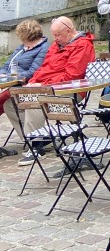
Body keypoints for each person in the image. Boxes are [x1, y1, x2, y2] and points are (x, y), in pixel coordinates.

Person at [7, 18, 95, 161]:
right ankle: (38, 138)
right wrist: (33, 82)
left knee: (34, 101)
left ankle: (36, 147)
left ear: (68, 31)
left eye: (57, 35)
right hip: (48, 87)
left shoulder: (83, 45)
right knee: (10, 103)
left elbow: (71, 76)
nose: (55, 39)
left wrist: (42, 85)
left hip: (70, 90)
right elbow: (44, 68)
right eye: (53, 35)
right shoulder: (57, 45)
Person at [0, 20, 49, 154]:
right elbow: (6, 65)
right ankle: (32, 137)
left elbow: (33, 72)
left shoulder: (43, 48)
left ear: (27, 35)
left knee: (3, 101)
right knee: (5, 102)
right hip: (11, 83)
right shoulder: (22, 48)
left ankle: (35, 138)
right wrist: (3, 74)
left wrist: (11, 77)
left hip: (24, 85)